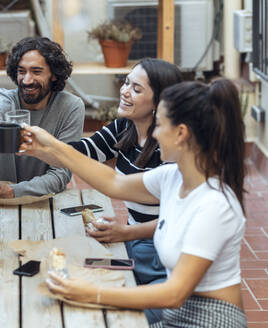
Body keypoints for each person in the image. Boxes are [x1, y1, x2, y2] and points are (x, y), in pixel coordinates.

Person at [21, 79, 247, 327]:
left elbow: (173, 294)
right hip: (178, 314)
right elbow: (113, 182)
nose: (154, 133)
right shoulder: (173, 177)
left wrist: (90, 293)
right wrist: (49, 146)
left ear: (181, 133)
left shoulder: (214, 205)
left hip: (211, 320)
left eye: (159, 125)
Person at [69, 58, 183, 324]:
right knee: (77, 272)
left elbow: (175, 219)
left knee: (106, 313)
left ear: (159, 103)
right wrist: (37, 142)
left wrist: (127, 232)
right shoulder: (125, 127)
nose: (124, 90)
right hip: (134, 247)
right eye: (126, 82)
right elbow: (83, 153)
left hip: (159, 257)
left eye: (137, 88)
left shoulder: (169, 148)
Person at [0, 36, 85, 199]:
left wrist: (14, 191)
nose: (27, 80)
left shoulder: (71, 107)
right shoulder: (3, 98)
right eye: (21, 71)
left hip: (43, 199)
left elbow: (61, 173)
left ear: (54, 75)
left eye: (36, 72)